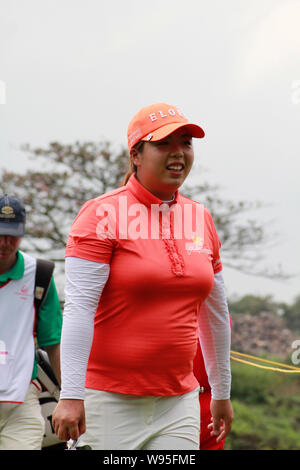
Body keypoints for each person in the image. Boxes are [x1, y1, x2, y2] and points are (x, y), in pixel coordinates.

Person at [52, 102, 233, 450]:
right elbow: (78, 310)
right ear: (136, 154)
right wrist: (72, 394)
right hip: (106, 401)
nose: (178, 153)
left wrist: (221, 391)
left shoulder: (201, 218)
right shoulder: (101, 214)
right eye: (164, 144)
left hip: (179, 403)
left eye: (186, 143)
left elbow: (215, 315)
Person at [0, 194, 62, 450]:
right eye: (0, 233)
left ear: (23, 232)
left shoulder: (40, 275)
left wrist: (71, 397)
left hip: (22, 400)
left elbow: (53, 342)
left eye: (12, 234)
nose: (5, 243)